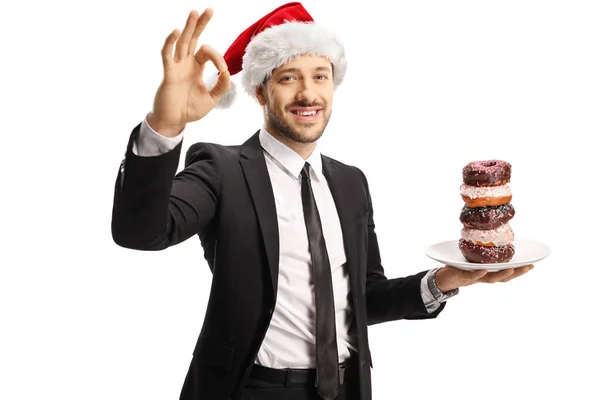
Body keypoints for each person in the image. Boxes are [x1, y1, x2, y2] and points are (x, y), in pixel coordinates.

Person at [111, 3, 533, 400]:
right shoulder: (220, 169)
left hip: (346, 388)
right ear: (260, 92)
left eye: (320, 76)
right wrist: (165, 125)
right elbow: (140, 232)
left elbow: (363, 298)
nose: (308, 94)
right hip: (251, 388)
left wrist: (443, 281)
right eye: (289, 77)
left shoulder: (350, 183)